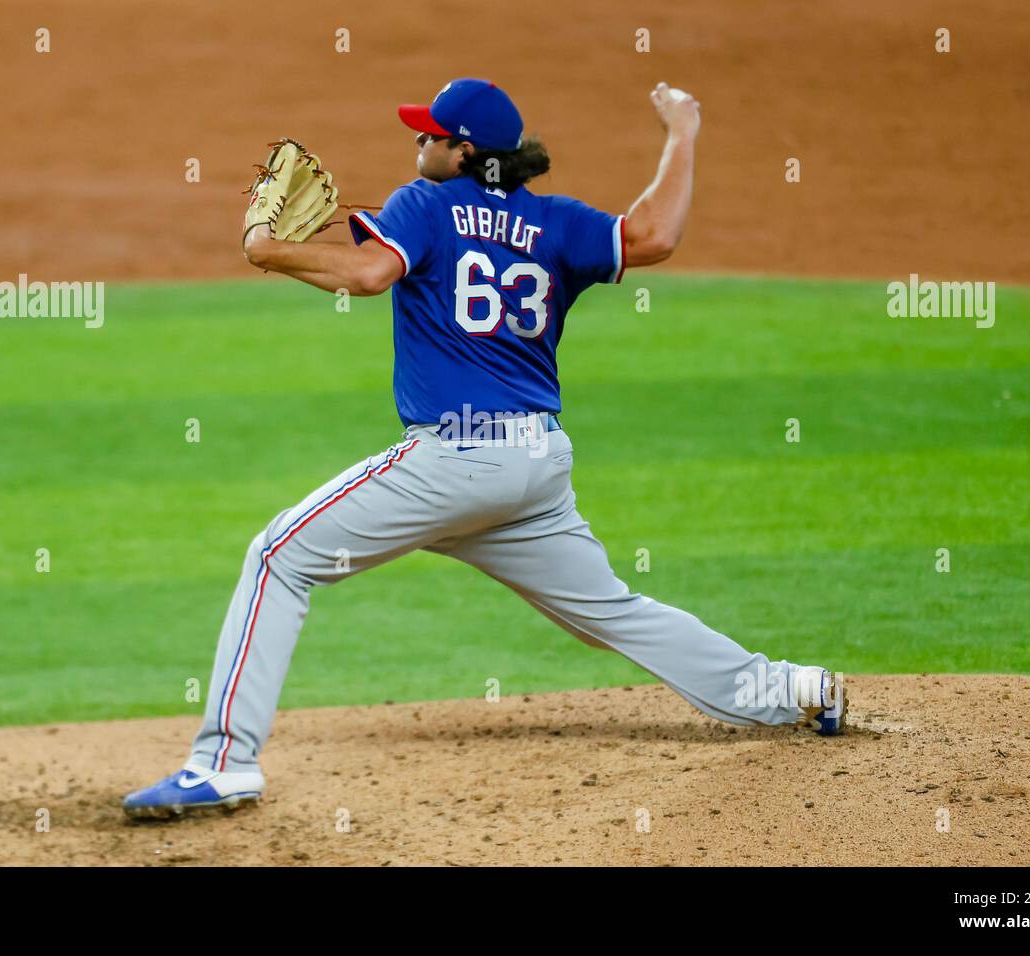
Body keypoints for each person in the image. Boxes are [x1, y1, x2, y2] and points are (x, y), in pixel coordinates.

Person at [123, 78, 845, 819]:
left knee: (279, 557)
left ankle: (222, 764)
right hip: (536, 470)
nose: (417, 145)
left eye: (429, 135)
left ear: (463, 150)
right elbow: (654, 234)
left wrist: (266, 250)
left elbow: (372, 275)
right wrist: (684, 131)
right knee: (613, 610)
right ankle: (787, 687)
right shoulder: (556, 221)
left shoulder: (425, 203)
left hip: (456, 462)